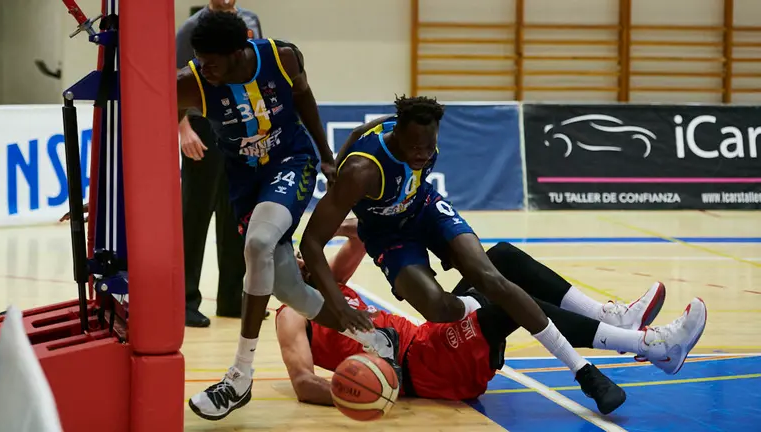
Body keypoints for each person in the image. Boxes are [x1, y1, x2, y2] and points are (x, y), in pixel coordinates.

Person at [301, 95, 629, 413]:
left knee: (492, 279)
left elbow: (364, 130)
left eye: (430, 148)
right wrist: (341, 307)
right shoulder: (361, 172)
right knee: (439, 308)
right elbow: (311, 242)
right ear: (398, 133)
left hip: (425, 207)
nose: (423, 155)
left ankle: (586, 371)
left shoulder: (414, 135)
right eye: (415, 148)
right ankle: (489, 303)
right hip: (389, 235)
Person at [176, 11, 398, 421]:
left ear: (238, 51)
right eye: (199, 60)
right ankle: (377, 338)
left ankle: (239, 375)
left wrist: (328, 159)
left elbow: (304, 99)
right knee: (290, 290)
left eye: (211, 61)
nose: (204, 69)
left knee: (258, 244)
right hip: (244, 182)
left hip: (291, 162)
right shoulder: (191, 83)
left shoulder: (283, 58)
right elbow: (144, 121)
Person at [281, 219, 707, 410]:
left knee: (500, 259)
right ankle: (651, 347)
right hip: (421, 368)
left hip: (430, 340)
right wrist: (372, 389)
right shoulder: (290, 315)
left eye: (299, 253)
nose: (301, 259)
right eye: (292, 260)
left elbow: (361, 232)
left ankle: (615, 319)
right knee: (508, 300)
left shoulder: (329, 285)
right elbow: (302, 382)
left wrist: (320, 231)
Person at [176, 0, 264, 327]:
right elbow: (173, 78)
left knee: (236, 211)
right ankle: (184, 299)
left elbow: (255, 71)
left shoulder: (251, 19)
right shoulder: (191, 27)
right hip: (201, 123)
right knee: (195, 212)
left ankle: (231, 297)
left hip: (238, 123)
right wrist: (183, 128)